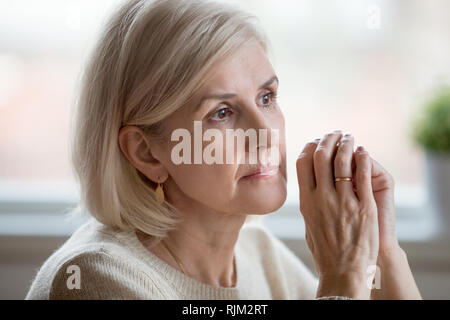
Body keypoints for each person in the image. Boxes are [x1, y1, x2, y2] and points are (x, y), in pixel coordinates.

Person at [26, 0, 421, 300]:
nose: (266, 133)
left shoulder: (259, 256)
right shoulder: (91, 279)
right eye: (222, 112)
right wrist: (344, 272)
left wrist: (380, 252)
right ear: (147, 153)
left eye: (266, 97)